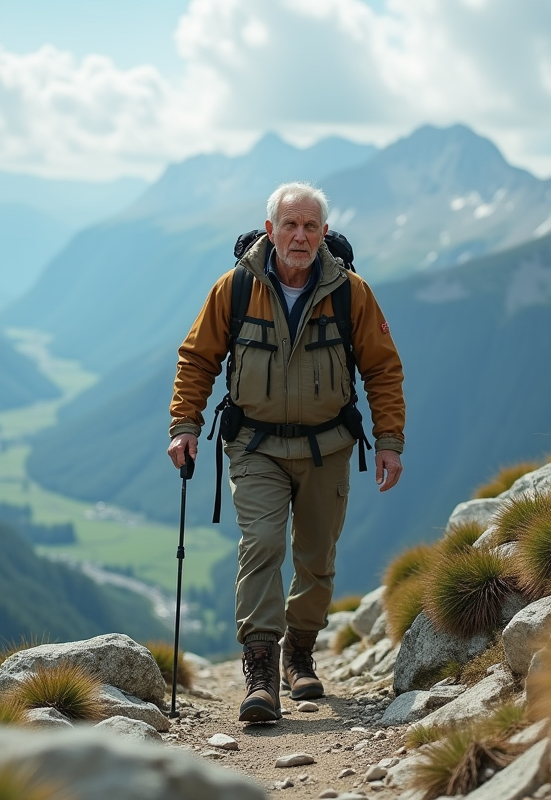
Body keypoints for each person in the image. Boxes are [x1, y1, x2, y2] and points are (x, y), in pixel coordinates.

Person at [167, 181, 406, 723]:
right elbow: (197, 358)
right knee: (263, 544)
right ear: (270, 229)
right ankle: (261, 671)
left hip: (329, 448)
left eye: (311, 226)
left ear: (324, 233)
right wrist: (185, 425)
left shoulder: (351, 292)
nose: (300, 236)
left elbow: (383, 368)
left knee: (316, 559)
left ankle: (300, 650)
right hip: (255, 446)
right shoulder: (234, 289)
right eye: (290, 225)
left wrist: (389, 441)